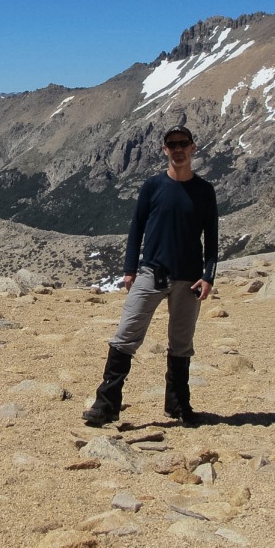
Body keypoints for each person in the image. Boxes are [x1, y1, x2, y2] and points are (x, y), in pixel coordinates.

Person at [82, 124, 219, 427]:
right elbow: (137, 228)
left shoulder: (204, 191)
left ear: (193, 148)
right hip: (151, 272)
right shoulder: (153, 186)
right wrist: (130, 269)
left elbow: (212, 237)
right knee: (125, 335)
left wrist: (208, 275)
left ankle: (178, 405)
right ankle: (106, 405)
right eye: (173, 144)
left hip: (189, 278)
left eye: (183, 143)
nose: (178, 149)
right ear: (164, 149)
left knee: (181, 343)